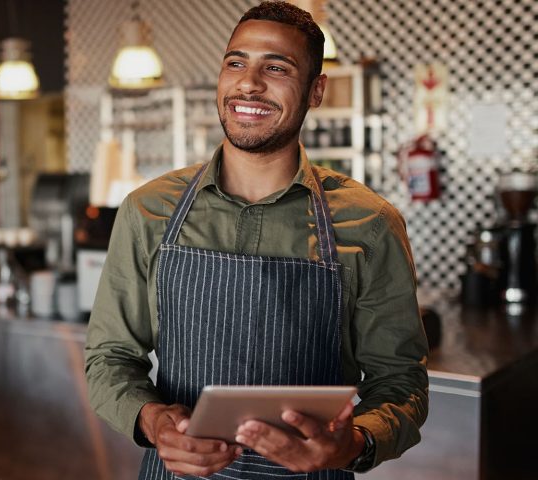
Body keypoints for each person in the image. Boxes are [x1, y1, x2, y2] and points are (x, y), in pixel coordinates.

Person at [85, 2, 429, 479]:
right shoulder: (148, 211)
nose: (249, 82)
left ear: (316, 91)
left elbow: (400, 382)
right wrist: (152, 419)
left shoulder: (370, 223)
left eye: (276, 67)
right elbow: (109, 357)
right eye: (236, 62)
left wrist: (352, 442)